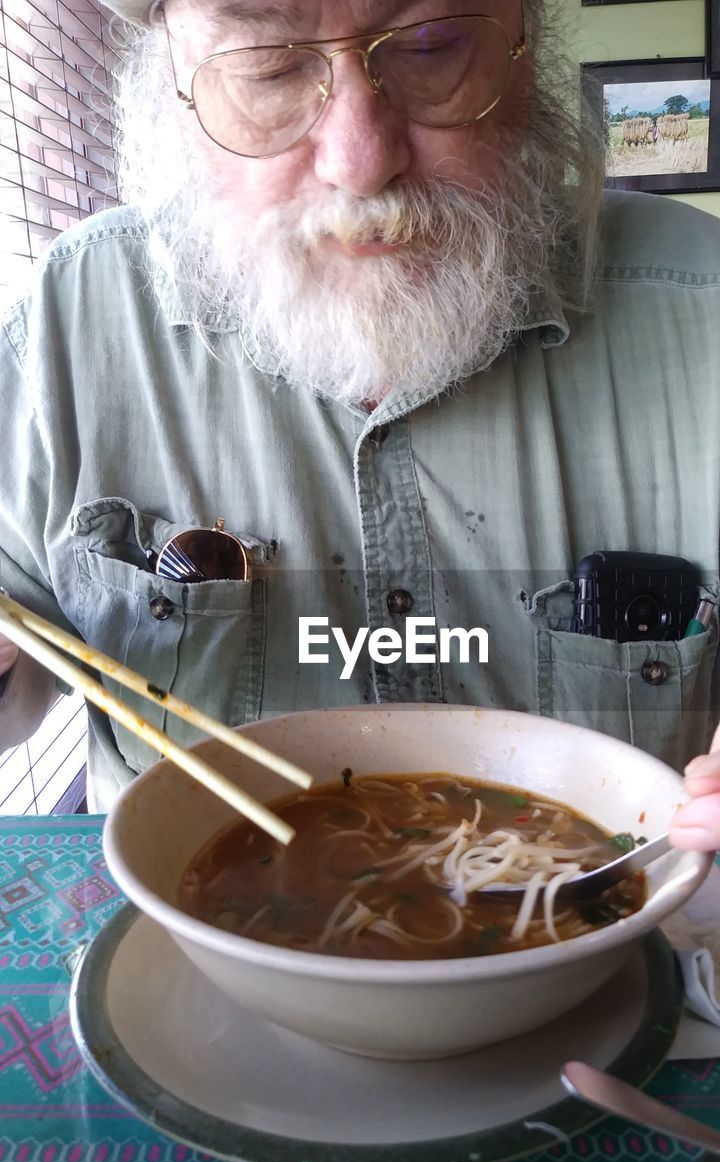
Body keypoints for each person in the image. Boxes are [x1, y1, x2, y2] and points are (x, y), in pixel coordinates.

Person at [0, 0, 719, 852]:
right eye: (270, 68)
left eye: (431, 47)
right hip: (189, 952)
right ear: (174, 88)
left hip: (616, 943)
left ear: (526, 51)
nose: (361, 160)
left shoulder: (703, 311)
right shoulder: (73, 317)